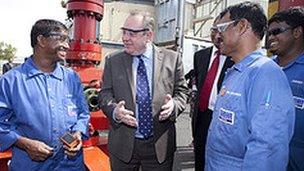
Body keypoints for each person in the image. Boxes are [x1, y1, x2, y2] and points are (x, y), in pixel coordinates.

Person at [205, 2, 295, 170]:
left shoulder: (265, 74)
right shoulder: (236, 72)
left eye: (222, 28)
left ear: (242, 26)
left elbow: (267, 149)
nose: (217, 36)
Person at [99, 10, 188, 171]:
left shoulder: (172, 59)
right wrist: (114, 112)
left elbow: (182, 92)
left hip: (159, 145)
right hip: (122, 145)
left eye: (132, 33)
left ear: (148, 35)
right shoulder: (113, 61)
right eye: (124, 31)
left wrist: (174, 105)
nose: (125, 38)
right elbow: (105, 94)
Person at [0, 19, 90, 170]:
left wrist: (79, 133)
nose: (67, 45)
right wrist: (24, 143)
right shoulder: (10, 82)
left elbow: (83, 113)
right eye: (61, 39)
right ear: (41, 40)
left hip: (70, 165)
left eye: (67, 40)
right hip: (30, 166)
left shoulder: (72, 78)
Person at [192, 16, 234, 171]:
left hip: (223, 119)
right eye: (214, 30)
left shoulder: (235, 58)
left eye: (221, 30)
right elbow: (199, 83)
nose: (217, 35)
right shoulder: (200, 56)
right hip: (202, 116)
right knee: (200, 159)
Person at [267, 7, 304, 171]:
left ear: (297, 32)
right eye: (269, 33)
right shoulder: (263, 69)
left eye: (276, 31)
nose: (270, 37)